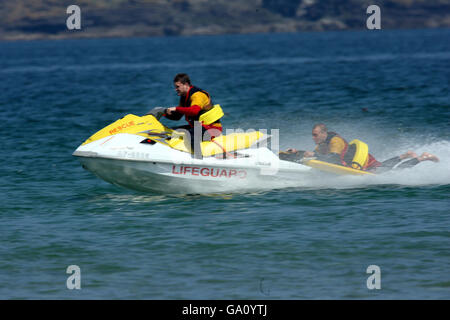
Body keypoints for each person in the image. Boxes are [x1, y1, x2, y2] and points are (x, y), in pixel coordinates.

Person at [279, 123, 439, 173]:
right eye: (312, 135)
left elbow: (333, 158)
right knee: (384, 167)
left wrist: (311, 156)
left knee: (389, 172)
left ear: (323, 133)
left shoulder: (335, 142)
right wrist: (296, 152)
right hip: (359, 162)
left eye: (315, 135)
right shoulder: (322, 144)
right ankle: (405, 155)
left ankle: (421, 157)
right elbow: (313, 154)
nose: (313, 138)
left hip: (363, 164)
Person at [163, 73, 223, 159]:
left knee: (189, 135)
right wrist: (164, 113)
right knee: (171, 131)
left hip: (212, 128)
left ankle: (199, 159)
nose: (176, 89)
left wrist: (176, 108)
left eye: (177, 86)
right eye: (175, 87)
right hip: (199, 127)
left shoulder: (197, 95)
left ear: (186, 84)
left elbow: (194, 111)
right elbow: (177, 117)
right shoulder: (184, 97)